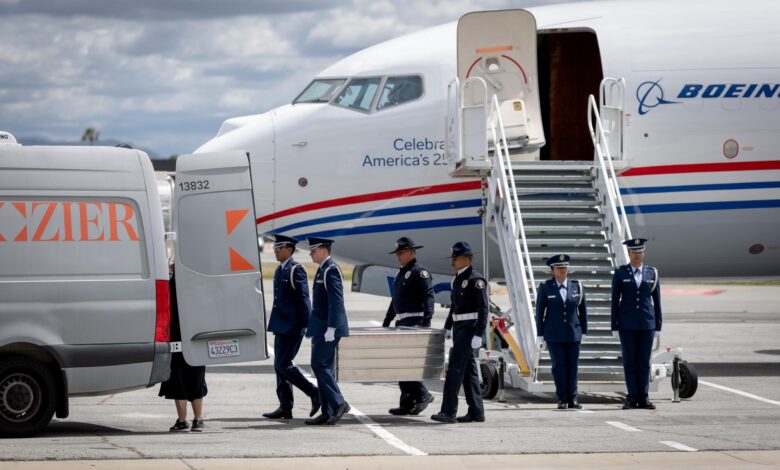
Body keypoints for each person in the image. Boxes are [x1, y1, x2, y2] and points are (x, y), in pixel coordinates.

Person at [262, 235, 320, 420]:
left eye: (278, 248)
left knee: (283, 364)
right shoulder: (280, 270)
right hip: (281, 325)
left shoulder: (296, 270)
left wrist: (307, 325)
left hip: (293, 326)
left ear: (288, 249)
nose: (275, 251)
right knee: (279, 367)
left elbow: (304, 300)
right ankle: (285, 406)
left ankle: (314, 392)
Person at [431, 242, 486, 424]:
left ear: (467, 259)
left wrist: (479, 333)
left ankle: (448, 412)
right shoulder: (457, 278)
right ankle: (476, 411)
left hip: (470, 328)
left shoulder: (475, 280)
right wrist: (448, 326)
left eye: (456, 258)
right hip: (459, 327)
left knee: (454, 368)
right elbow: (454, 306)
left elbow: (483, 308)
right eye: (452, 257)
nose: (452, 261)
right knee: (469, 371)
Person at [382, 236, 435, 416]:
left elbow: (429, 297)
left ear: (412, 252)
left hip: (414, 322)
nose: (398, 256)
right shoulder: (400, 272)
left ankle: (423, 395)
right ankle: (406, 402)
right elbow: (395, 299)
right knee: (399, 365)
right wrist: (387, 320)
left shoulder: (420, 272)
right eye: (397, 253)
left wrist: (426, 323)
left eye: (402, 253)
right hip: (401, 322)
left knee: (406, 364)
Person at [611, 238, 662, 410]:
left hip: (647, 324)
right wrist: (614, 325)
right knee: (630, 362)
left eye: (639, 252)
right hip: (627, 325)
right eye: (634, 252)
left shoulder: (652, 273)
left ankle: (644, 398)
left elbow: (657, 301)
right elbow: (614, 301)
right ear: (629, 254)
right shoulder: (621, 273)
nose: (637, 255)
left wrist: (658, 326)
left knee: (644, 362)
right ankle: (632, 397)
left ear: (643, 253)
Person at [304, 237, 351, 425]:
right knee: (324, 367)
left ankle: (339, 403)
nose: (310, 253)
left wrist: (332, 327)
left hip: (329, 328)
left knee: (319, 365)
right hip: (321, 327)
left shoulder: (331, 270)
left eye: (314, 250)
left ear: (324, 250)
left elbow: (336, 301)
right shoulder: (322, 269)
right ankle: (327, 410)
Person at [535, 254, 588, 409]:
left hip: (573, 333)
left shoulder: (577, 286)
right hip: (554, 334)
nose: (563, 270)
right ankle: (562, 398)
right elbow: (540, 312)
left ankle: (573, 398)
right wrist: (540, 334)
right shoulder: (545, 287)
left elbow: (583, 311)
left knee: (573, 366)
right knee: (559, 367)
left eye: (565, 267)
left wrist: (584, 331)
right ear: (552, 270)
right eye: (559, 268)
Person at [159, 273, 207, 432]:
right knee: (196, 376)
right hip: (195, 335)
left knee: (179, 377)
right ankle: (197, 419)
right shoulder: (199, 281)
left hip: (176, 336)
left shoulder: (171, 282)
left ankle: (183, 420)